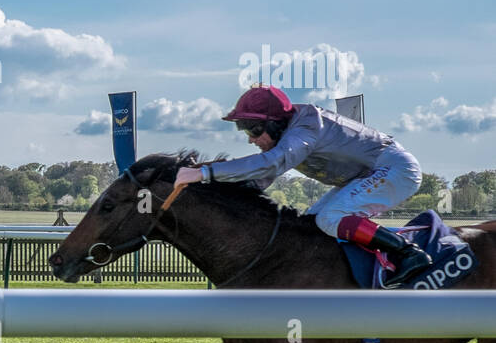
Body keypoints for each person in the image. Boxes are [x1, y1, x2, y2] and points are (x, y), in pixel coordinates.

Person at [173, 84, 432, 286]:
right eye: (245, 130)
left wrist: (206, 172)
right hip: (367, 173)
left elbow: (270, 163)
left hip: (395, 169)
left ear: (274, 123)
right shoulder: (289, 134)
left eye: (253, 129)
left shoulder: (304, 129)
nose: (251, 139)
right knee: (310, 224)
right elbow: (257, 181)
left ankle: (409, 253)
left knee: (330, 218)